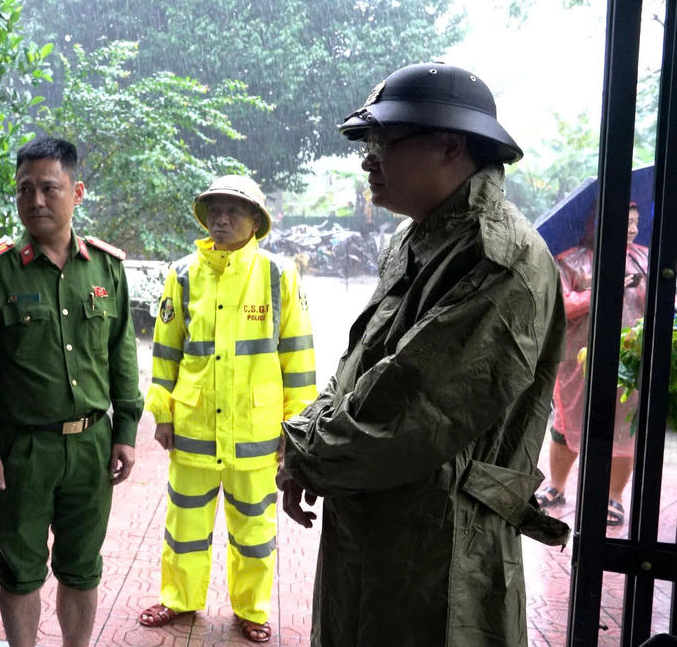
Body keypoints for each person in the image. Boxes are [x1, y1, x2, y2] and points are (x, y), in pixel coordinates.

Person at [275, 63, 569, 646]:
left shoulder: (498, 257)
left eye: (385, 142)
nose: (368, 159)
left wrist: (309, 452)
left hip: (443, 546)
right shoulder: (423, 235)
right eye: (369, 143)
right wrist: (308, 434)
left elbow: (413, 409)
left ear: (450, 146)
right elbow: (362, 363)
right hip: (379, 526)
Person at [0, 136, 141, 647]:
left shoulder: (106, 269)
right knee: (19, 568)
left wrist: (125, 430)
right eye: (24, 190)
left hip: (91, 447)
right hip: (22, 451)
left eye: (49, 188)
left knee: (82, 567)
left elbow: (122, 355)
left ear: (76, 192)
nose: (35, 200)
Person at [136, 175, 317, 643]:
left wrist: (295, 428)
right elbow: (165, 352)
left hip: (257, 432)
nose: (221, 218)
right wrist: (162, 412)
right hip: (193, 424)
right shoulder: (182, 274)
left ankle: (251, 608)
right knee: (185, 524)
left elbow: (296, 358)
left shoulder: (279, 277)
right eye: (214, 209)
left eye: (233, 210)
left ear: (255, 221)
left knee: (255, 530)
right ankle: (179, 599)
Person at [536, 202, 649, 525]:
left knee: (626, 429)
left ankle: (614, 498)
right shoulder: (572, 260)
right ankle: (556, 487)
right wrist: (604, 289)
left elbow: (665, 300)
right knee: (568, 424)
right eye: (625, 221)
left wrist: (645, 290)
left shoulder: (645, 258)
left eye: (635, 222)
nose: (632, 229)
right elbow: (560, 306)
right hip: (578, 359)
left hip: (631, 359)